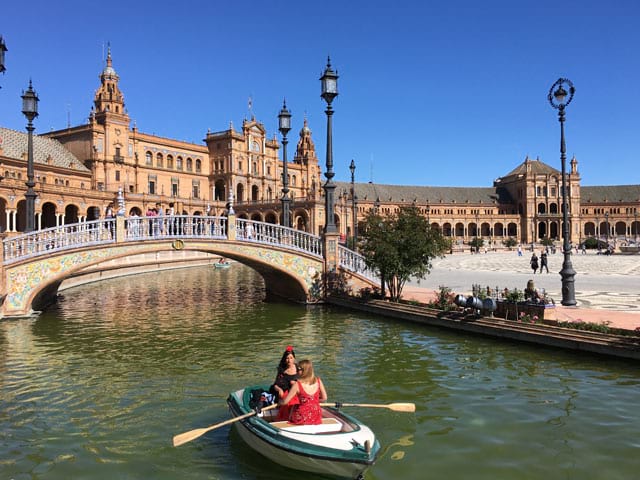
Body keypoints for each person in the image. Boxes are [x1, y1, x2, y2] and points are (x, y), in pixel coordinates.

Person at [279, 359, 327, 425]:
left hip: (302, 416)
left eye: (299, 369)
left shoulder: (297, 385)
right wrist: (312, 401)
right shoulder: (318, 381)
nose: (296, 371)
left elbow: (285, 402)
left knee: (294, 407)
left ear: (305, 371)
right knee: (296, 405)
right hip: (316, 415)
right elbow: (324, 398)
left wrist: (279, 402)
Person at [270, 346, 300, 421]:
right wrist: (279, 390)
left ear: (294, 359)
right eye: (287, 358)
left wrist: (296, 384)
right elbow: (275, 385)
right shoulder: (282, 370)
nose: (289, 360)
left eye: (291, 358)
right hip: (284, 393)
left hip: (296, 393)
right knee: (286, 399)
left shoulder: (298, 369)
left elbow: (303, 383)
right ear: (284, 359)